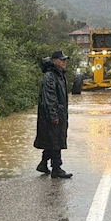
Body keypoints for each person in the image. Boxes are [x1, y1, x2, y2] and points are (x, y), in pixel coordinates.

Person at [34, 50, 73, 179]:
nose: (64, 62)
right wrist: (53, 115)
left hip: (58, 113)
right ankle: (56, 168)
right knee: (56, 140)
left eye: (65, 60)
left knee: (52, 139)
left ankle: (43, 164)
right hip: (52, 114)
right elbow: (49, 97)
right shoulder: (50, 76)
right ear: (55, 61)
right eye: (62, 60)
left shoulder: (59, 75)